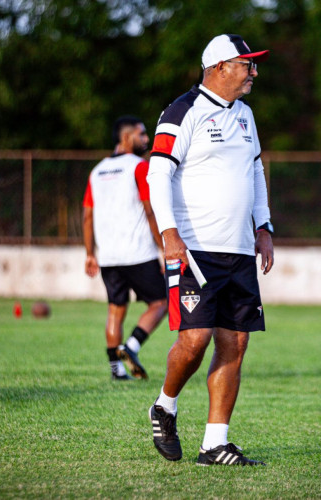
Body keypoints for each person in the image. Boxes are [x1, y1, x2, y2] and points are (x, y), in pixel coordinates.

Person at [146, 34, 274, 466]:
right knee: (196, 339)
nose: (253, 73)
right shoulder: (184, 111)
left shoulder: (246, 116)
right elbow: (156, 174)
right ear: (220, 67)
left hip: (239, 250)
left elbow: (255, 172)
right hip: (195, 250)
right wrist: (168, 232)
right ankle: (165, 404)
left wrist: (264, 225)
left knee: (235, 343)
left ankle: (214, 443)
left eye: (253, 66)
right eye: (246, 65)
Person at [83, 116, 168, 381]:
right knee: (161, 302)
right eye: (142, 135)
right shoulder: (139, 167)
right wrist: (164, 247)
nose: (147, 140)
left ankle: (116, 371)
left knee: (115, 310)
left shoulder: (97, 171)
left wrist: (89, 253)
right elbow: (149, 209)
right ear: (127, 138)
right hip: (138, 253)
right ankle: (131, 347)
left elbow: (87, 215)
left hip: (108, 256)